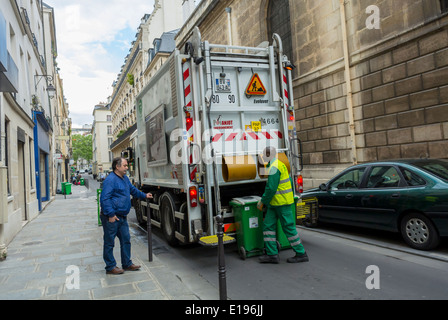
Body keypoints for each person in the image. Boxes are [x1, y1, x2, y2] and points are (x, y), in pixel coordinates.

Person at [100, 157, 153, 274]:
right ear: (117, 167)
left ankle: (127, 264)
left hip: (122, 217)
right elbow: (104, 199)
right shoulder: (110, 180)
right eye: (124, 165)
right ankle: (110, 267)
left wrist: (144, 195)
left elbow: (133, 190)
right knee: (109, 242)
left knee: (126, 240)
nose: (126, 167)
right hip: (112, 217)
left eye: (126, 165)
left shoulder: (125, 179)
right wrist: (111, 214)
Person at [257, 146, 309, 264]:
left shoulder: (274, 167)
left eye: (264, 155)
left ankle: (301, 253)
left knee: (288, 228)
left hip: (281, 203)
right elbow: (289, 181)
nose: (263, 157)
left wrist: (262, 202)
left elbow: (271, 188)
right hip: (275, 203)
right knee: (268, 226)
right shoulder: (278, 164)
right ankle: (272, 255)